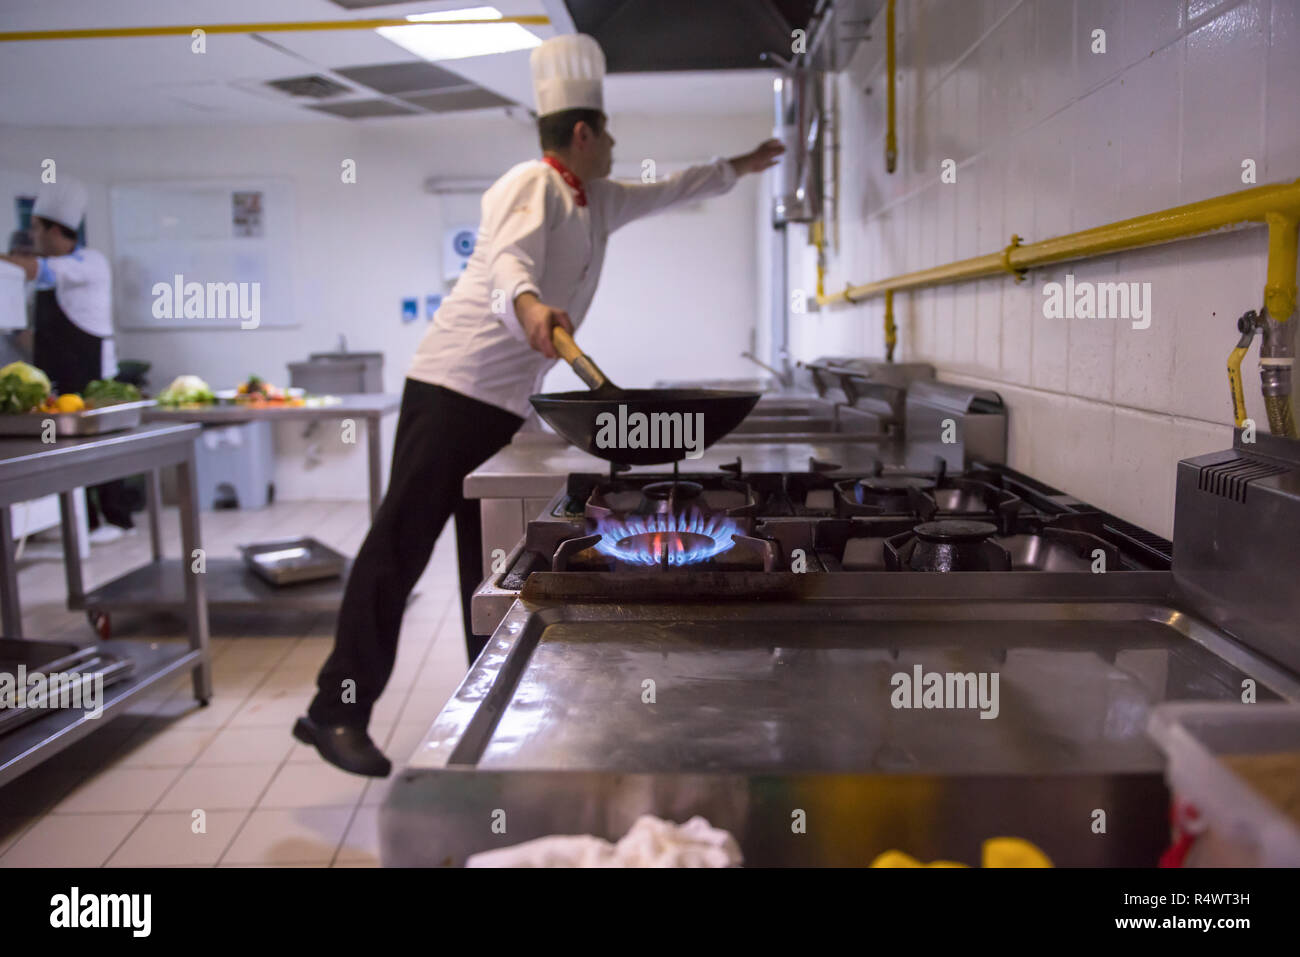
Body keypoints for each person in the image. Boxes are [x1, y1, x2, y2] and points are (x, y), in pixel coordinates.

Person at [294, 33, 783, 777]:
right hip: (454, 388)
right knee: (399, 544)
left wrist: (739, 168)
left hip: (504, 404)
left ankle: (485, 716)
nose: (617, 144)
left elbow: (671, 189)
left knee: (482, 566)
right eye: (609, 133)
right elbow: (507, 265)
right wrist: (527, 305)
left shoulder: (597, 201)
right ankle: (334, 711)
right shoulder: (533, 183)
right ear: (581, 134)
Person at [0, 179, 135, 542]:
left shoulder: (87, 263)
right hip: (57, 378)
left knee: (103, 453)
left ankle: (116, 519)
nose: (33, 236)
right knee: (65, 455)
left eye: (36, 228)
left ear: (56, 230)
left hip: (94, 377)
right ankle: (86, 524)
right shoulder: (48, 270)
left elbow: (33, 270)